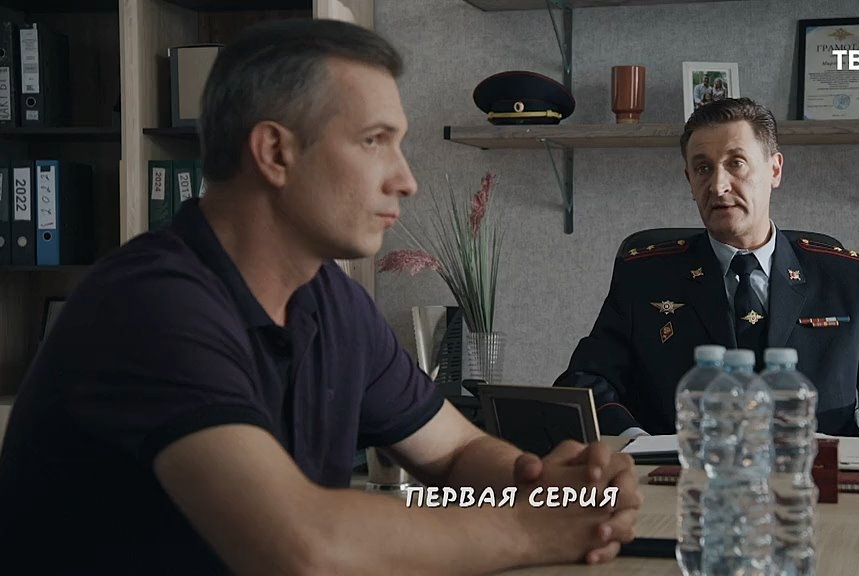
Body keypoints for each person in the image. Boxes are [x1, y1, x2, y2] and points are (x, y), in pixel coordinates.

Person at [0, 19, 641, 575]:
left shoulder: (333, 301)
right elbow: (299, 548)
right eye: (375, 140)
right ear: (275, 151)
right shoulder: (151, 306)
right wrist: (529, 530)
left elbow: (454, 455)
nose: (406, 180)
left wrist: (557, 490)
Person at [555, 97, 859, 448]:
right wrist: (636, 442)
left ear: (774, 170)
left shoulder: (845, 279)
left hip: (816, 482)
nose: (718, 185)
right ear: (689, 181)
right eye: (703, 168)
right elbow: (583, 383)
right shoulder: (644, 277)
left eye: (736, 163)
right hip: (681, 480)